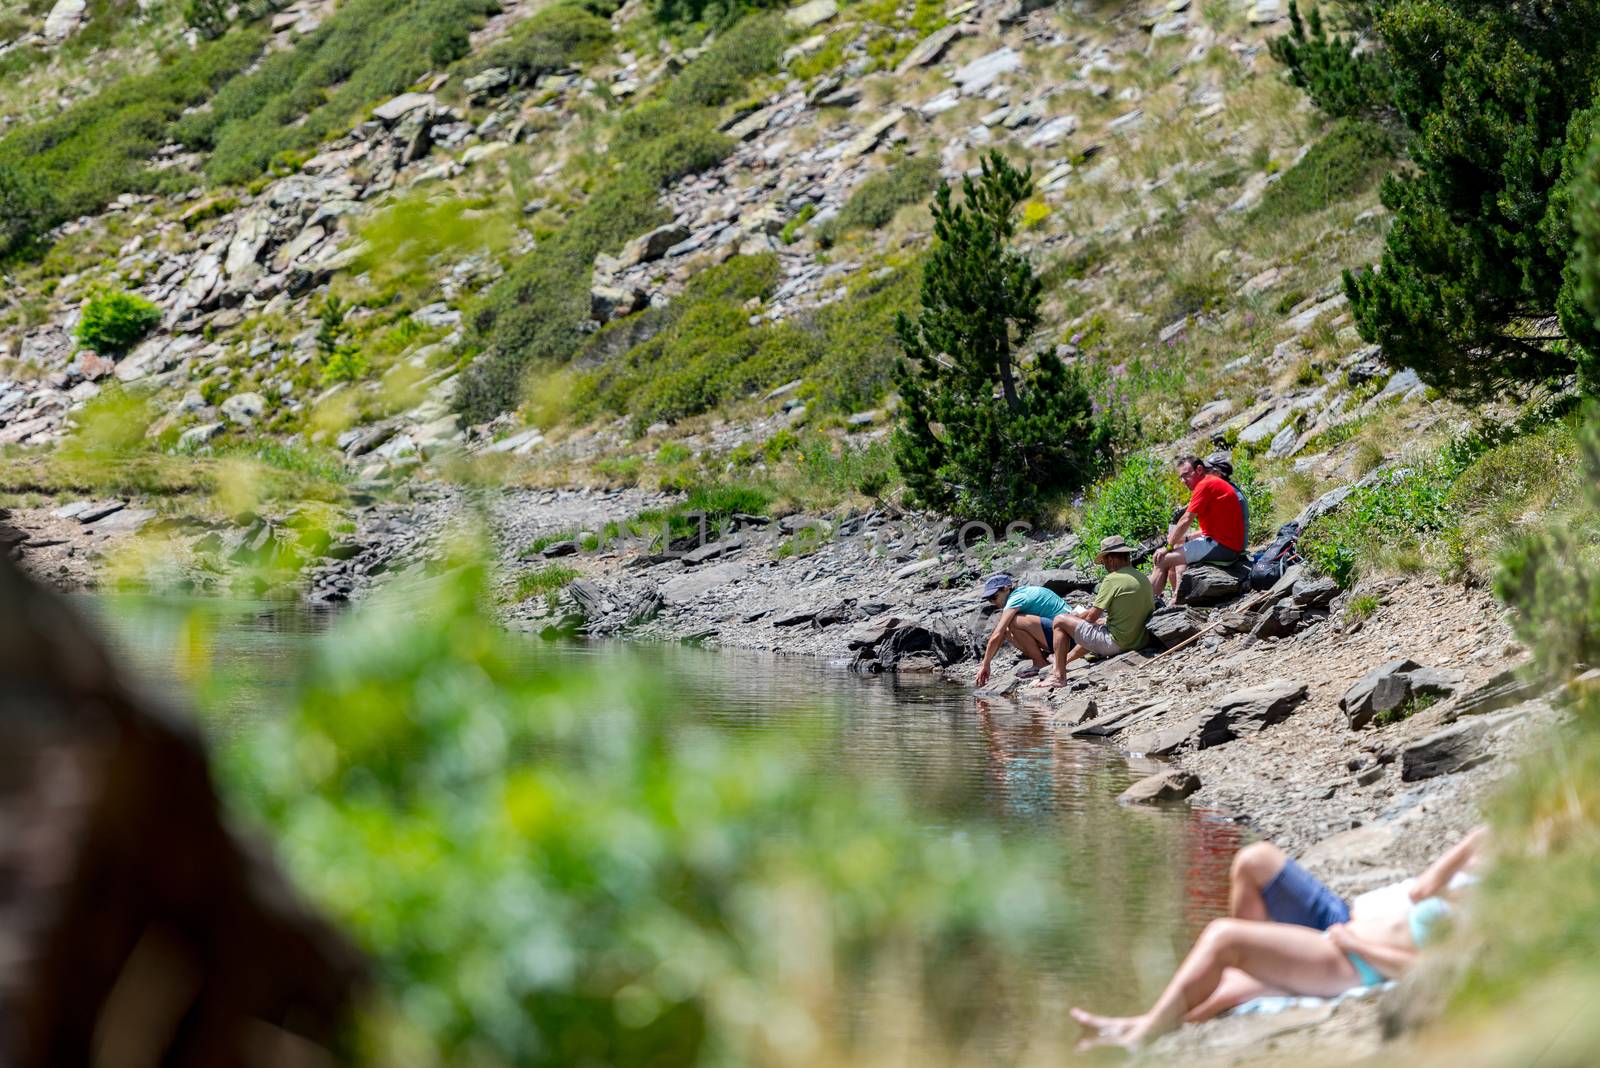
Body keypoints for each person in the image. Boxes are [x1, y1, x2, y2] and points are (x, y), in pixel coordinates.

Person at [1071, 827, 1488, 1051]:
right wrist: (1475, 840)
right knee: (1254, 859)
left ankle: (1146, 1031)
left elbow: (1429, 971)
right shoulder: (1485, 875)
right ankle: (1141, 1022)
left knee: (1223, 939)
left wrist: (1355, 946)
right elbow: (1422, 890)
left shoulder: (1493, 920)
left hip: (1351, 960)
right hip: (1345, 918)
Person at [1035, 536, 1154, 687]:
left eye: (1104, 561)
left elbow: (1091, 617)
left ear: (1110, 559)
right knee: (1096, 627)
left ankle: (1058, 676)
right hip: (1140, 640)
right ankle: (1063, 661)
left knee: (1059, 621)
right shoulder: (1142, 577)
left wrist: (1075, 618)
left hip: (1118, 643)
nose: (1104, 565)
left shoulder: (1113, 579)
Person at [1150, 455, 1247, 602]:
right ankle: (1177, 594)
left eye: (1186, 475)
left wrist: (1168, 547)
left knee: (1162, 560)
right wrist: (1183, 539)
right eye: (1181, 477)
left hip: (1223, 547)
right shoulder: (1212, 483)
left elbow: (1186, 519)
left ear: (1199, 469)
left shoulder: (1204, 485)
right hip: (1226, 543)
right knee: (1179, 543)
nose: (1183, 481)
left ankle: (1147, 604)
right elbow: (1212, 528)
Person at [974, 573, 1067, 688]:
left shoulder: (1016, 598)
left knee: (1014, 621)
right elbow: (1002, 633)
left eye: (994, 597)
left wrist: (985, 664)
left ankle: (1040, 663)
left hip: (1067, 637)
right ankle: (1044, 658)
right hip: (1063, 635)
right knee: (1008, 628)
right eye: (989, 599)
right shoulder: (1022, 593)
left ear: (1006, 589)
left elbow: (997, 634)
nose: (993, 602)